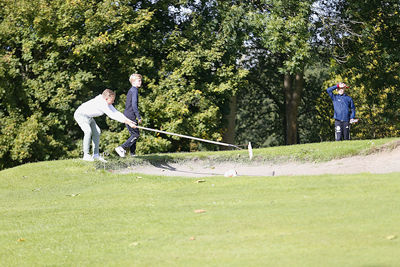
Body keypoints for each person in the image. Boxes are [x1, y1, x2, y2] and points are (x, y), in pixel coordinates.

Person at [74, 89, 137, 162]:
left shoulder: (106, 102)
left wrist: (129, 120)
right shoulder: (101, 103)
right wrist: (128, 123)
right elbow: (112, 115)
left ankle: (96, 155)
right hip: (80, 115)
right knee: (88, 131)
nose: (113, 102)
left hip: (89, 117)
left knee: (97, 132)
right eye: (112, 100)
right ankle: (86, 155)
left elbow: (116, 112)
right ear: (106, 98)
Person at [115, 74, 142, 157]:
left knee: (134, 134)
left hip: (127, 114)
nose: (141, 82)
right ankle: (122, 148)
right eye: (139, 80)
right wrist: (138, 117)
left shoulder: (132, 90)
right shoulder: (134, 90)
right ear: (133, 82)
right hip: (131, 115)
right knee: (136, 135)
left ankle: (132, 153)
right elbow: (134, 105)